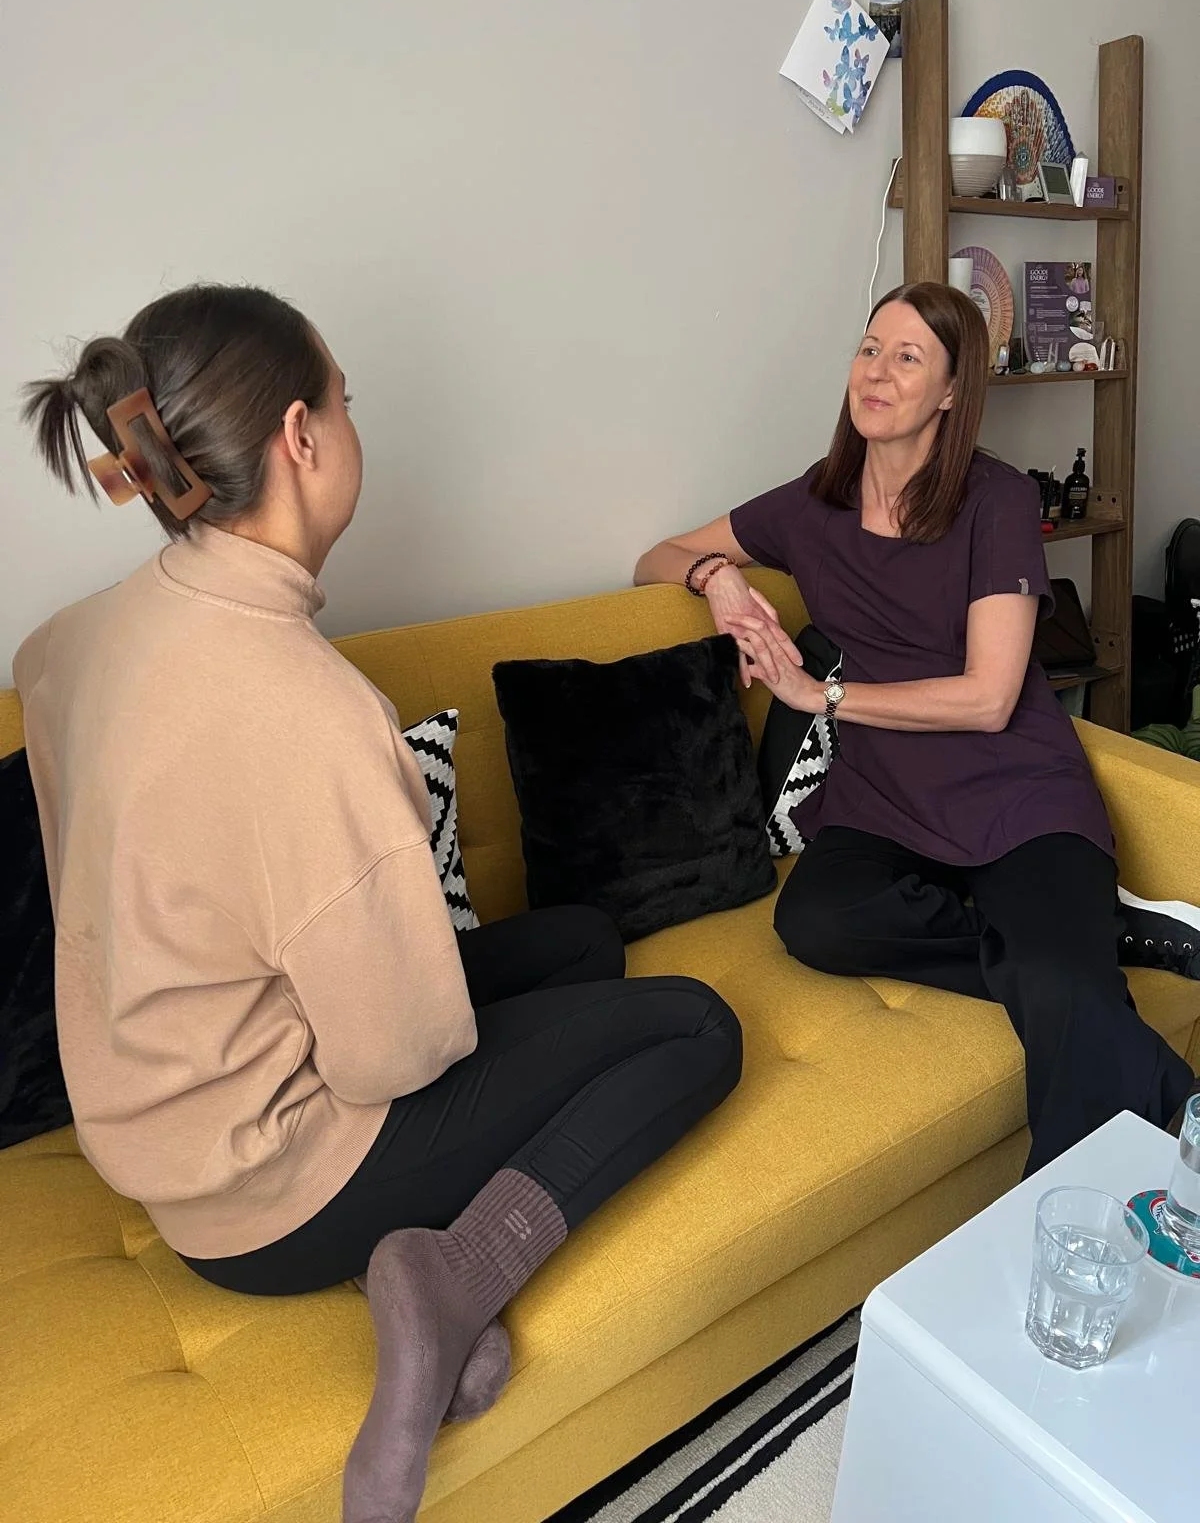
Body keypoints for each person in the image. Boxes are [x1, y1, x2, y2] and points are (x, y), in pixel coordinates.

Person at [14, 283, 742, 1523]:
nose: (357, 425)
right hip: (277, 1188)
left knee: (580, 941)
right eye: (348, 402)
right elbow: (401, 1052)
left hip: (165, 1136)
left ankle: (436, 1238)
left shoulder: (71, 642)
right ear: (300, 438)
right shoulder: (310, 711)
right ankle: (450, 1273)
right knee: (697, 1026)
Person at [636, 280, 1198, 1175]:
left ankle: (1056, 1224)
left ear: (949, 391)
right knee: (815, 921)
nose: (877, 373)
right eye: (869, 349)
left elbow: (987, 696)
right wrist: (720, 577)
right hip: (884, 798)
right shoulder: (810, 505)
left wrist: (823, 699)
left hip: (1016, 792)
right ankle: (1096, 950)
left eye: (907, 358)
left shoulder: (997, 500)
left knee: (1060, 988)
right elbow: (651, 558)